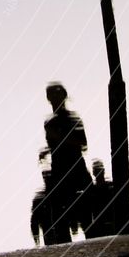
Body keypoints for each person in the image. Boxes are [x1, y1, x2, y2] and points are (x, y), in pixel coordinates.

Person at [41, 82, 93, 239]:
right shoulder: (50, 123)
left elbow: (82, 144)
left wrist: (60, 138)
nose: (54, 100)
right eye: (52, 96)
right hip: (60, 171)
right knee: (60, 217)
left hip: (75, 169)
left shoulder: (72, 119)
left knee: (85, 215)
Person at [84, 159, 117, 239]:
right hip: (106, 224)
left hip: (100, 224)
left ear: (93, 173)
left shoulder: (91, 191)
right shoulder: (111, 187)